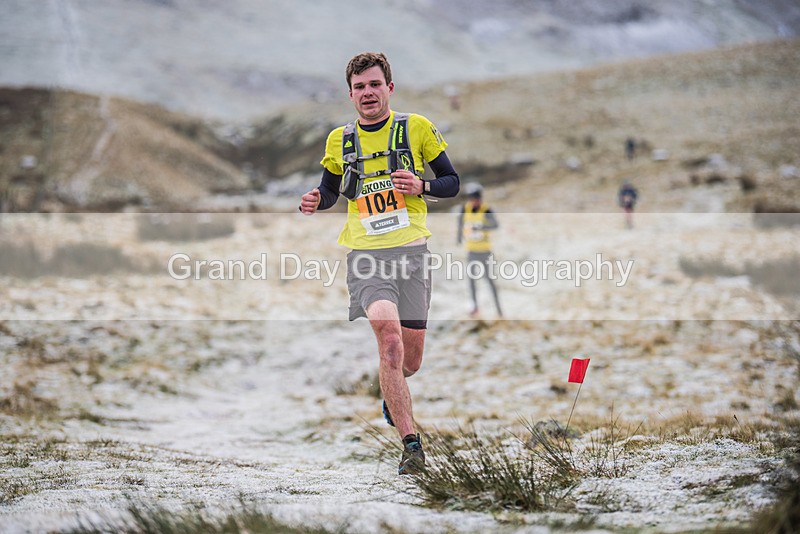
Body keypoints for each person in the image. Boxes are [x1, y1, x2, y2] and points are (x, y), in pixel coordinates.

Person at [299, 52, 460, 475]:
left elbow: (452, 182)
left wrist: (422, 184)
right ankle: (412, 447)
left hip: (412, 254)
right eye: (359, 87)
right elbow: (331, 189)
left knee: (410, 361)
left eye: (374, 85)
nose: (367, 93)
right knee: (388, 341)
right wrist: (318, 199)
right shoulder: (340, 140)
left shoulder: (416, 128)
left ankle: (392, 396)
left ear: (389, 87)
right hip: (367, 256)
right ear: (349, 94)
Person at [457, 183, 502, 318]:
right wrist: (459, 237)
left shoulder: (487, 210)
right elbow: (460, 224)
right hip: (471, 251)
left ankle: (499, 310)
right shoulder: (465, 209)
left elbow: (495, 225)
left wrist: (482, 227)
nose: (475, 201)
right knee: (471, 281)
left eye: (477, 199)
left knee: (490, 281)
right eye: (472, 199)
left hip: (485, 251)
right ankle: (475, 308)